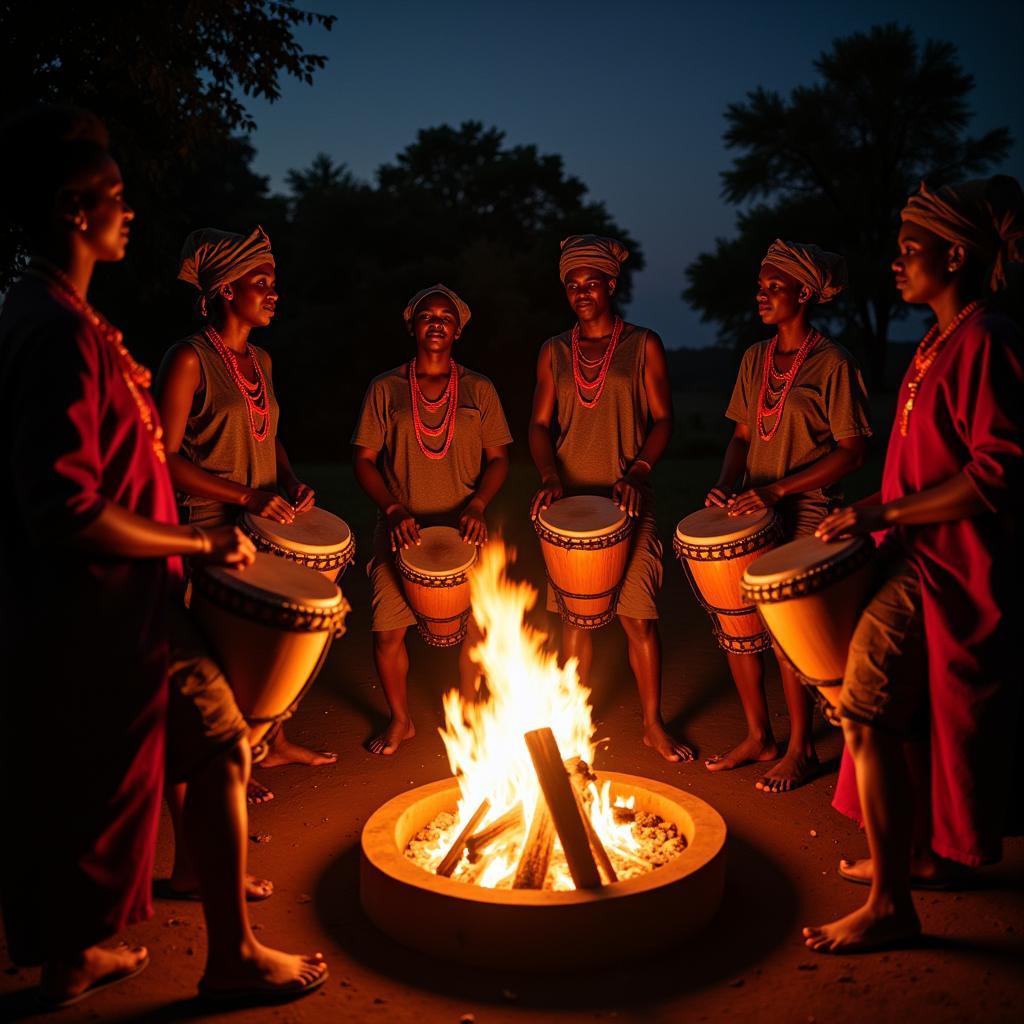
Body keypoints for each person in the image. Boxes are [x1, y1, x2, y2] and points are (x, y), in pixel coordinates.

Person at [0, 106, 324, 1007]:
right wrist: (195, 534)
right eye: (113, 197)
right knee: (218, 741)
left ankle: (74, 958)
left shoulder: (57, 312)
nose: (127, 210)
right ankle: (234, 958)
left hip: (107, 602)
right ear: (73, 210)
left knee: (85, 774)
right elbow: (62, 507)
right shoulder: (59, 331)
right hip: (103, 604)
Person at [804, 176, 1023, 953]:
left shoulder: (988, 338)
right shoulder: (939, 339)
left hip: (950, 567)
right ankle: (920, 856)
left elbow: (1000, 470)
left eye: (910, 250)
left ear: (956, 254)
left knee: (865, 708)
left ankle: (891, 903)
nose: (896, 264)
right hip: (911, 555)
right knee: (902, 713)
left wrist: (882, 512)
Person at [157, 226, 333, 807]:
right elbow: (166, 458)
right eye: (262, 283)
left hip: (266, 520)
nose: (273, 293)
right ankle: (230, 759)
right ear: (227, 290)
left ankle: (273, 743)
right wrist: (245, 497)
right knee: (226, 650)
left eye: (273, 283)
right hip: (208, 525)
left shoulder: (261, 358)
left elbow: (270, 434)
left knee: (269, 643)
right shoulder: (188, 358)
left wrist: (288, 480)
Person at [703, 240, 871, 791]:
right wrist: (727, 485)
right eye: (760, 286)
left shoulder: (834, 364)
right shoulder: (755, 359)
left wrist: (779, 491)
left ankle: (801, 749)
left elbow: (852, 452)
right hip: (752, 506)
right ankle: (759, 736)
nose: (762, 295)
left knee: (786, 638)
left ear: (804, 292)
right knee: (737, 628)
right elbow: (742, 436)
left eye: (774, 287)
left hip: (808, 513)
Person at [529, 235, 690, 762]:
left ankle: (652, 724)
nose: (580, 293)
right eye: (572, 285)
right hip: (573, 508)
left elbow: (664, 419)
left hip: (629, 501)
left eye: (590, 283)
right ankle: (573, 725)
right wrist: (551, 475)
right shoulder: (554, 351)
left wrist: (639, 470)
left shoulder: (643, 344)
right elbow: (537, 424)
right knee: (574, 621)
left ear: (611, 285)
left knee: (638, 618)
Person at [352, 285, 511, 754]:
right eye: (427, 316)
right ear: (413, 326)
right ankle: (401, 720)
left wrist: (478, 505)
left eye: (446, 317)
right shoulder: (385, 389)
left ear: (458, 331)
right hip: (401, 528)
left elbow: (499, 458)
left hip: (466, 528)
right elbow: (363, 459)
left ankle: (470, 714)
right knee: (386, 632)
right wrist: (393, 508)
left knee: (479, 628)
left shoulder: (479, 389)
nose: (436, 322)